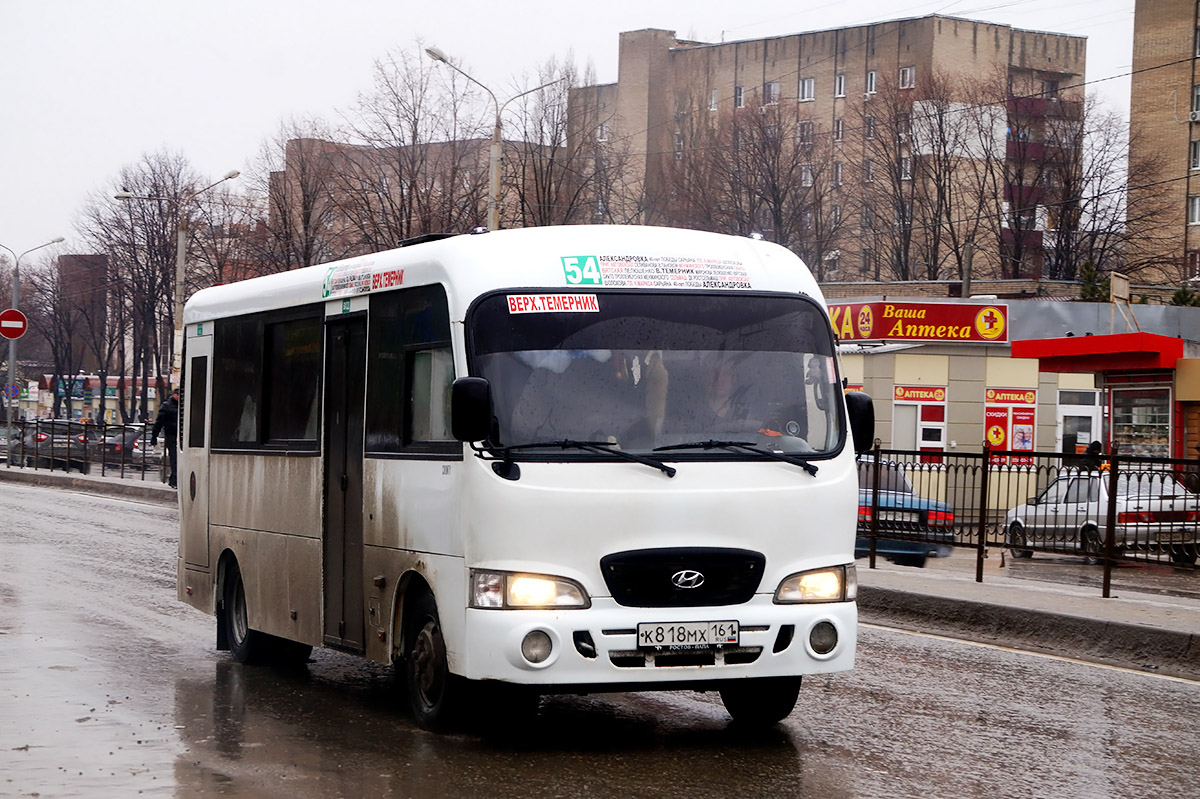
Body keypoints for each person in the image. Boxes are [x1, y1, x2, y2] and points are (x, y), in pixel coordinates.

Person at [152, 389, 180, 488]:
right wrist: (154, 436)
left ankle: (174, 479)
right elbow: (159, 422)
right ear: (174, 395)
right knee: (174, 458)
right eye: (178, 395)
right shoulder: (167, 406)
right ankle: (174, 480)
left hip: (180, 436)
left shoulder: (183, 405)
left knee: (177, 459)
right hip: (171, 434)